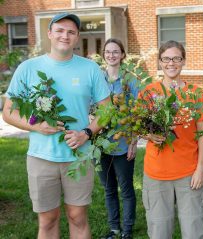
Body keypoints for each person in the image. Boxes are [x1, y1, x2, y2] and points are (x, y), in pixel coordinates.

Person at [2, 12, 110, 238]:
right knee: (48, 220)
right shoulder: (28, 68)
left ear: (77, 37)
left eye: (71, 32)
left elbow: (107, 111)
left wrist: (86, 133)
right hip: (41, 157)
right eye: (60, 30)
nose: (65, 36)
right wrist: (36, 126)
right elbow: (8, 112)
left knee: (77, 217)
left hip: (78, 156)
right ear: (49, 33)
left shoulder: (90, 69)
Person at [141, 40, 203, 239]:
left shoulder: (195, 93)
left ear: (183, 61)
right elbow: (138, 128)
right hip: (156, 174)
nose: (171, 63)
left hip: (188, 174)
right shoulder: (148, 93)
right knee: (159, 232)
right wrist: (149, 134)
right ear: (160, 62)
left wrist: (200, 168)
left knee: (193, 231)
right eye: (166, 59)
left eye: (176, 58)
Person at [98, 38, 139, 239]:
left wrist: (133, 142)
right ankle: (114, 228)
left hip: (123, 144)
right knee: (109, 189)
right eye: (108, 51)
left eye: (116, 51)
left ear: (122, 54)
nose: (111, 55)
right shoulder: (97, 78)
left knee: (126, 189)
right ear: (103, 54)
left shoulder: (130, 80)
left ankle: (128, 229)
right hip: (100, 143)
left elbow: (137, 113)